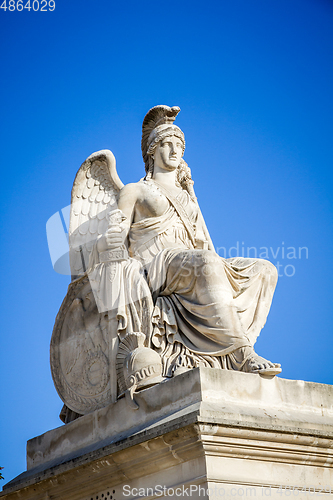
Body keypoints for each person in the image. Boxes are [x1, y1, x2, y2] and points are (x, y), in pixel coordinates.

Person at [96, 105, 281, 377]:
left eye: (179, 146)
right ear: (152, 150)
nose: (174, 151)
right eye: (167, 144)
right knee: (204, 263)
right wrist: (109, 238)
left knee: (265, 271)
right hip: (156, 267)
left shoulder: (187, 195)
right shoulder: (135, 190)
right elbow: (111, 238)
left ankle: (226, 346)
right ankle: (241, 354)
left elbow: (204, 244)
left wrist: (219, 265)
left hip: (190, 264)